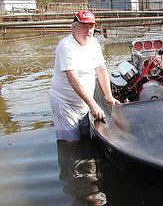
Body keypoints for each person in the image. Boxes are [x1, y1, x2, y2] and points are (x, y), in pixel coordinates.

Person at [49, 10, 120, 141]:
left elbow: (101, 69)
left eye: (91, 27)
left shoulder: (94, 42)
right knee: (71, 143)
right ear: (74, 28)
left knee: (85, 138)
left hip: (83, 103)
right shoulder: (66, 46)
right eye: (84, 26)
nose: (88, 30)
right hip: (65, 103)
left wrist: (109, 96)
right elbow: (72, 78)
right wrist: (93, 104)